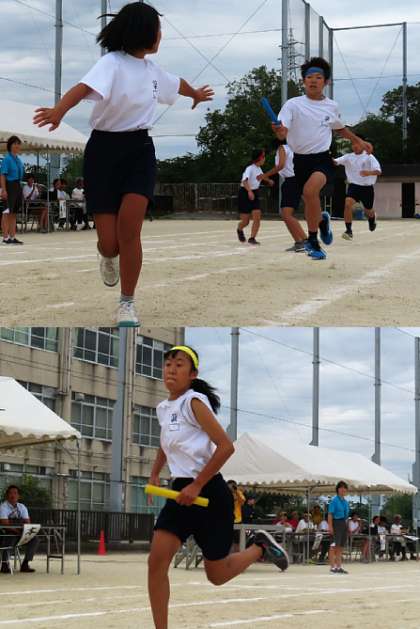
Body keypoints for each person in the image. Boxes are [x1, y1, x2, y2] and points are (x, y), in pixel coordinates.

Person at [34, 2, 214, 328]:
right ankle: (106, 255)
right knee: (110, 242)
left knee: (130, 229)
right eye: (158, 29)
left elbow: (179, 83)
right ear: (144, 32)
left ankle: (127, 303)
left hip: (139, 151)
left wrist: (196, 95)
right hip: (103, 152)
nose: (161, 35)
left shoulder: (153, 71)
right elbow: (82, 89)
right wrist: (59, 110)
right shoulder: (112, 63)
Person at [147, 345, 288, 629]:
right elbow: (166, 443)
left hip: (210, 492)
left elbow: (226, 447)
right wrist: (154, 474)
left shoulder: (194, 402)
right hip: (180, 492)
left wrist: (198, 484)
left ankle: (260, 547)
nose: (171, 370)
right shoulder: (164, 408)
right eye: (168, 364)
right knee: (156, 563)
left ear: (192, 374)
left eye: (179, 365)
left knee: (217, 575)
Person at [272, 57, 372, 260]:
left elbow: (339, 128)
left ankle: (313, 242)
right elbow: (282, 132)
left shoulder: (331, 106)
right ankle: (322, 222)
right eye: (309, 77)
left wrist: (357, 140)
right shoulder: (293, 105)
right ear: (303, 81)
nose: (313, 80)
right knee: (310, 198)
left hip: (322, 159)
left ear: (326, 82)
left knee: (310, 191)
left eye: (318, 77)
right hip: (300, 161)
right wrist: (279, 131)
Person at [259, 140, 307, 252]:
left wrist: (265, 175)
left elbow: (280, 165)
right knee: (286, 215)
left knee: (286, 215)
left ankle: (305, 241)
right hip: (296, 180)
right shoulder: (296, 147)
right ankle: (300, 242)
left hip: (291, 181)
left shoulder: (282, 148)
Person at [334, 139, 382, 240]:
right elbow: (335, 162)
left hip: (367, 188)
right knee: (347, 204)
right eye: (353, 144)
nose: (355, 146)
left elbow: (378, 171)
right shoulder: (348, 157)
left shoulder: (369, 157)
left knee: (368, 210)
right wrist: (325, 157)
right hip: (354, 186)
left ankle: (372, 219)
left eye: (357, 144)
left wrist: (368, 173)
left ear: (363, 146)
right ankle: (348, 231)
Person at [237, 149, 274, 246]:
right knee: (245, 221)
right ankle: (239, 229)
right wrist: (249, 191)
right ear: (259, 158)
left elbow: (261, 176)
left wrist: (269, 181)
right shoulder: (250, 168)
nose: (264, 159)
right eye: (263, 157)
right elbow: (244, 181)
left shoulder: (258, 169)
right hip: (245, 192)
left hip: (255, 192)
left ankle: (252, 238)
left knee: (257, 216)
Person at [0, 485, 39, 573]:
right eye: (10, 493)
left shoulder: (22, 507)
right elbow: (5, 524)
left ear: (19, 496)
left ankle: (25, 564)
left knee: (35, 539)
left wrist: (21, 531)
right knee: (10, 537)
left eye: (15, 493)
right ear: (7, 495)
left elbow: (27, 522)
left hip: (21, 533)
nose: (13, 495)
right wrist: (18, 527)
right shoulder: (3, 507)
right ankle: (4, 564)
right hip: (6, 533)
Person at [0, 135, 24, 245]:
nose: (17, 146)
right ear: (10, 145)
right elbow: (2, 175)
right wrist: (4, 190)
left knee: (14, 213)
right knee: (6, 212)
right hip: (9, 185)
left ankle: (12, 236)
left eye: (18, 144)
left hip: (17, 185)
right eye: (15, 143)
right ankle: (5, 238)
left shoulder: (18, 160)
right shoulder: (7, 159)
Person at [328, 480, 350, 574]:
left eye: (344, 488)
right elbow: (330, 514)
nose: (343, 489)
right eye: (341, 487)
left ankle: (339, 566)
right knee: (333, 546)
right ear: (337, 489)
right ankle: (332, 567)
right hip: (335, 522)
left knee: (340, 546)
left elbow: (346, 516)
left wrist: (347, 527)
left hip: (343, 523)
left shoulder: (345, 502)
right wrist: (330, 526)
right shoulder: (334, 501)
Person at [227, 479, 246, 552]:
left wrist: (236, 491)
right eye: (229, 486)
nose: (231, 488)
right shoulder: (225, 493)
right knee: (226, 539)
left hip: (237, 520)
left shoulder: (238, 493)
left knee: (237, 540)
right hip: (227, 519)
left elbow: (243, 500)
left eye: (233, 486)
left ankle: (236, 554)